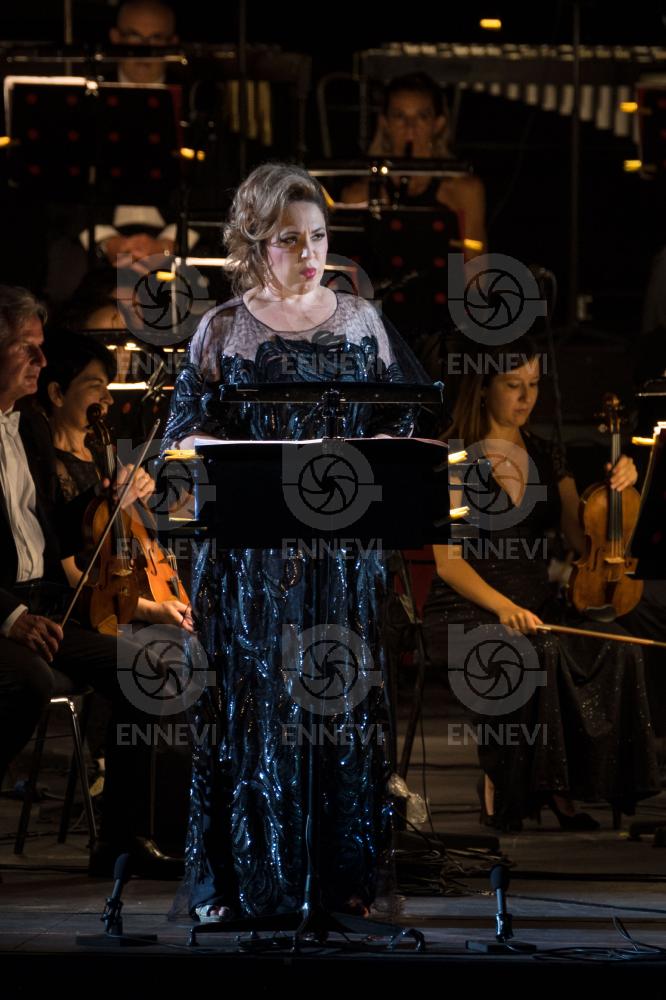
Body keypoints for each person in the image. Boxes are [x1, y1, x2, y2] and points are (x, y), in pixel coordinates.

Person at [162, 162, 419, 922]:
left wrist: (375, 448)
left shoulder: (362, 321)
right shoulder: (224, 329)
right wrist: (243, 455)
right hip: (253, 562)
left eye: (319, 237)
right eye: (289, 240)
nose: (309, 254)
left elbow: (403, 418)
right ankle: (251, 884)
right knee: (258, 709)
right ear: (254, 243)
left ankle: (339, 880)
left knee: (338, 705)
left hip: (341, 557)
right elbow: (184, 433)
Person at [421, 336, 660, 831]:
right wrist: (502, 607)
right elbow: (449, 565)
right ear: (483, 387)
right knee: (537, 650)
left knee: (618, 647)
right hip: (466, 608)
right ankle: (508, 784)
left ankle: (569, 784)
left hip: (536, 605)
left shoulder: (548, 455)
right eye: (514, 385)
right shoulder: (455, 458)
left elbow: (579, 537)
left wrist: (619, 487)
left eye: (533, 384)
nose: (527, 397)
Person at [0, 285, 181, 875]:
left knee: (144, 669)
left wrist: (105, 500)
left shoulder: (26, 429)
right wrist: (11, 618)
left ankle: (122, 844)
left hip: (44, 607)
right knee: (26, 681)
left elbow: (52, 531)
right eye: (26, 348)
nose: (41, 359)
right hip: (5, 615)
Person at [37, 330, 193, 632]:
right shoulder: (48, 470)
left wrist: (143, 491)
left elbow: (140, 536)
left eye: (107, 387)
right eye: (95, 386)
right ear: (57, 394)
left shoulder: (102, 455)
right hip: (96, 613)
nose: (108, 398)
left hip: (132, 599)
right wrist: (151, 610)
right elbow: (71, 576)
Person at [341, 72, 486, 256]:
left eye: (422, 117)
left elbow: (476, 267)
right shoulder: (358, 196)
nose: (410, 127)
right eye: (399, 116)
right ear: (385, 123)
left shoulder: (465, 191)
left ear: (438, 124)